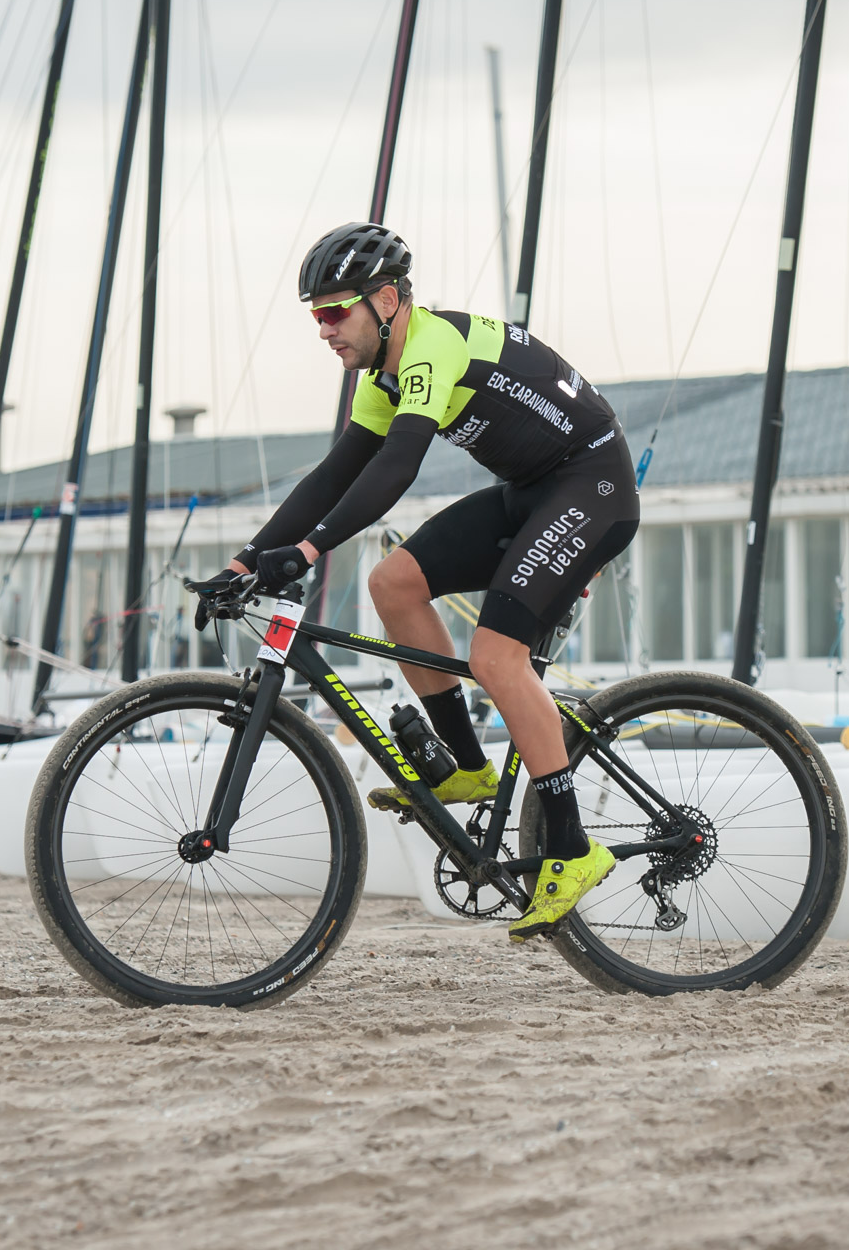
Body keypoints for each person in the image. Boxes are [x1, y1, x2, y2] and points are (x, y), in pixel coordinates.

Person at [196, 223, 640, 941]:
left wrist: (305, 553)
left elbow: (397, 468)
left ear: (388, 300)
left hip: (592, 486)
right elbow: (339, 472)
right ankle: (466, 766)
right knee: (393, 585)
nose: (324, 330)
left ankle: (569, 846)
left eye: (335, 312)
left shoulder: (432, 347)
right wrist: (249, 560)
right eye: (315, 315)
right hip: (534, 489)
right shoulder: (384, 373)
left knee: (498, 656)